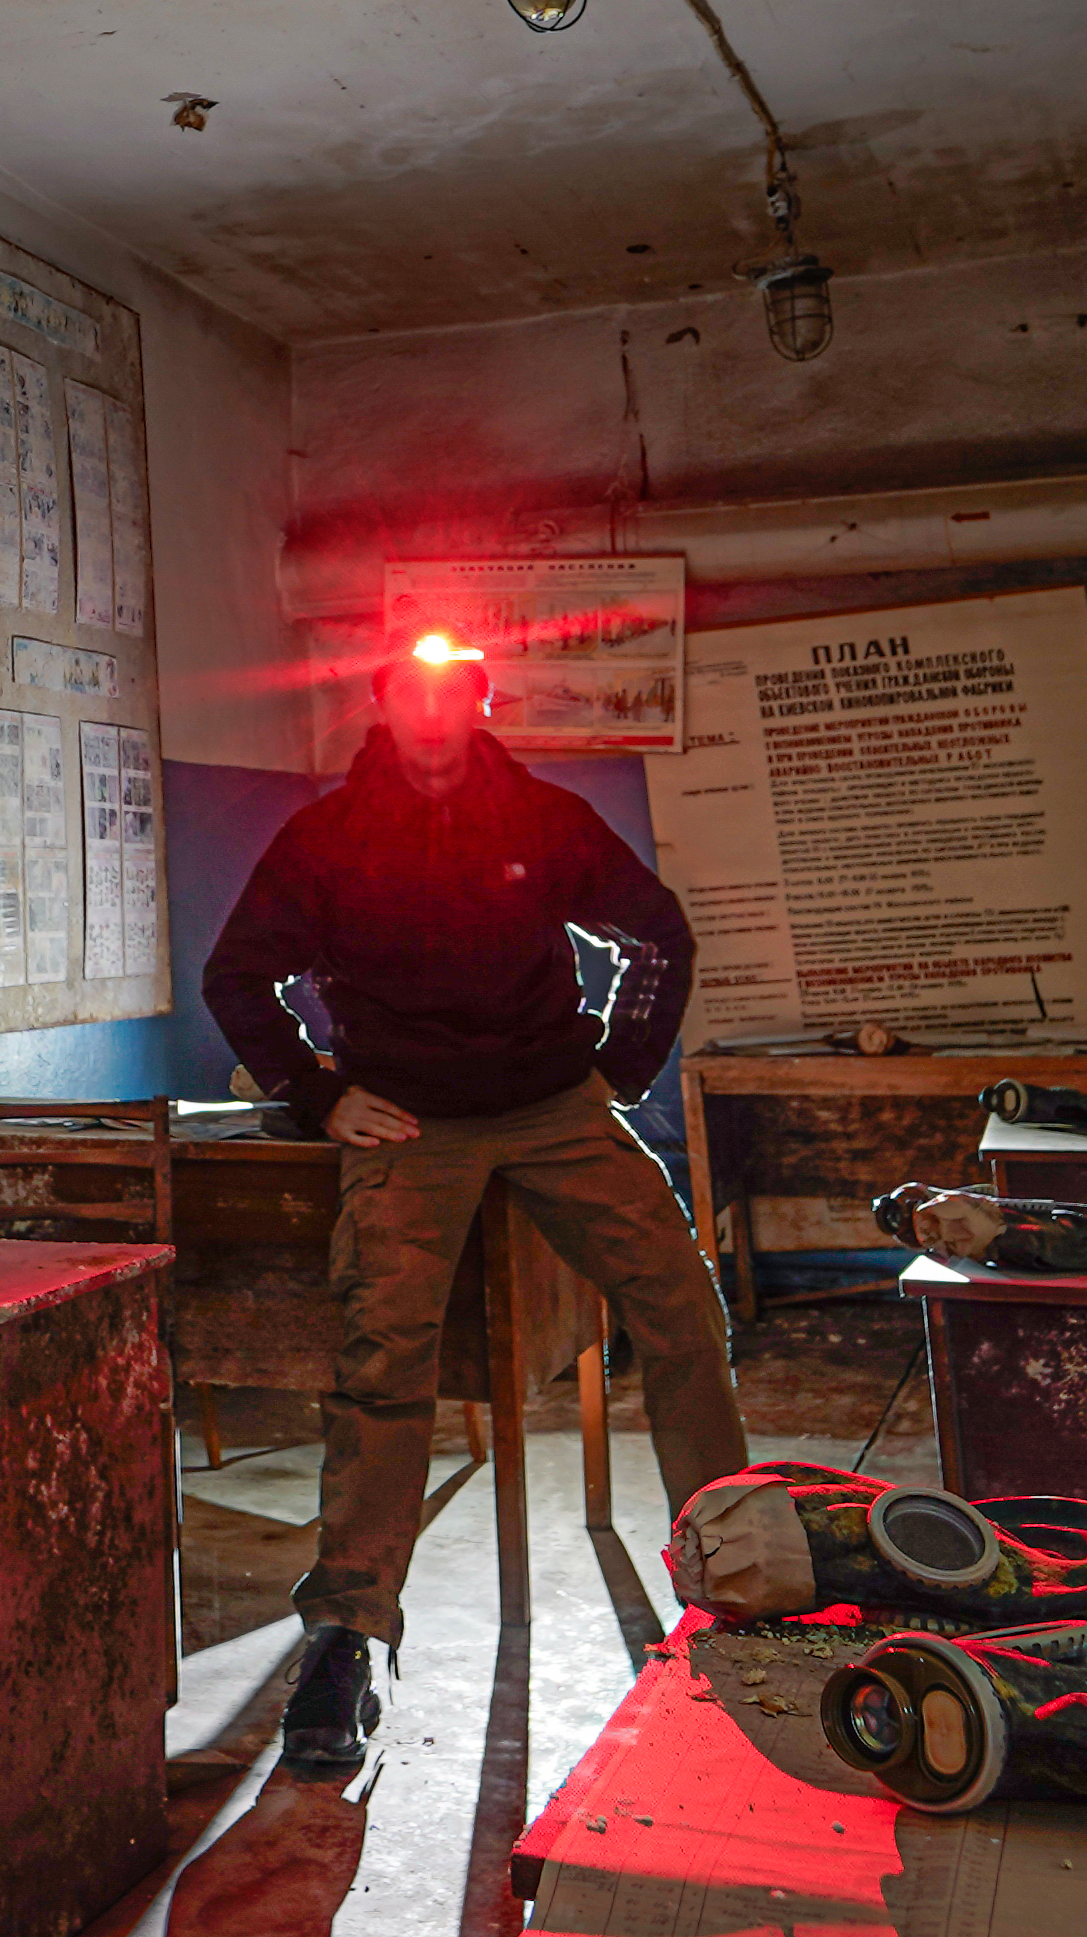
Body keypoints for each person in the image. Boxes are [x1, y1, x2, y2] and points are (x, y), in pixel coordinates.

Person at [200, 636, 744, 1779]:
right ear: (385, 703)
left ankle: (737, 1580)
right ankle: (347, 1634)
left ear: (481, 702)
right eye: (415, 688)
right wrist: (317, 1094)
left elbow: (660, 934)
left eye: (457, 689)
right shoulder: (330, 836)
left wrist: (623, 1068)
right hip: (407, 1120)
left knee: (682, 1307)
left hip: (554, 1102)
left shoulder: (543, 819)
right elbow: (236, 975)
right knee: (382, 1357)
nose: (436, 708)